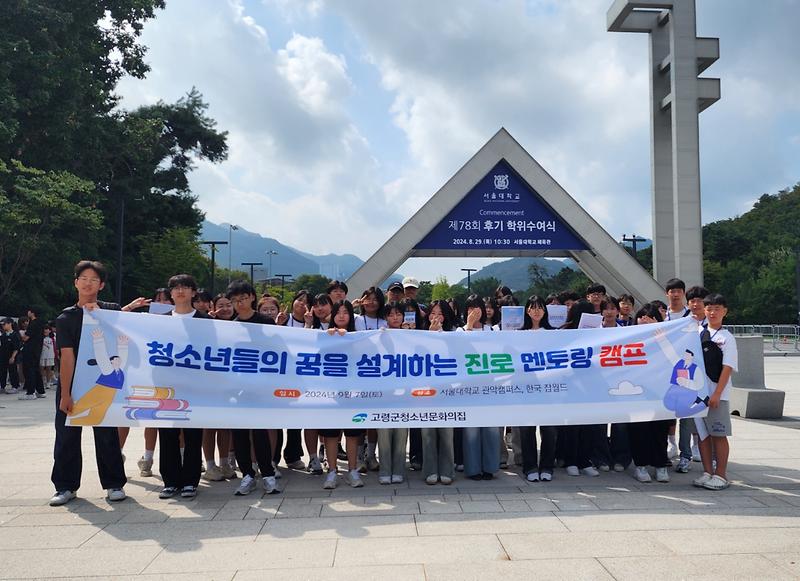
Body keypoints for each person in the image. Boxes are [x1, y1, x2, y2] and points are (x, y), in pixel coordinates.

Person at [50, 260, 142, 506]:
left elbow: (130, 329)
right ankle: (65, 486)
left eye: (94, 280)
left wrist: (130, 309)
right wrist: (65, 394)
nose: (88, 283)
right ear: (76, 282)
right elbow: (67, 357)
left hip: (103, 384)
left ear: (101, 285)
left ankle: (114, 484)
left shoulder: (109, 311)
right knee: (67, 435)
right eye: (84, 278)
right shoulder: (66, 318)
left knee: (106, 434)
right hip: (73, 385)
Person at [225, 280, 280, 495]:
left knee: (260, 433)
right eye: (235, 300)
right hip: (238, 389)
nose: (239, 303)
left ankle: (267, 474)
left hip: (262, 389)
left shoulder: (266, 323)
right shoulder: (230, 327)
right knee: (239, 434)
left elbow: (277, 353)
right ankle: (247, 475)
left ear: (252, 298)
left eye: (243, 298)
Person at [157, 274, 207, 499]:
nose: (180, 291)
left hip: (196, 387)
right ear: (170, 293)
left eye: (185, 287)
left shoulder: (206, 321)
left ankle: (190, 481)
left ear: (193, 292)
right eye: (175, 287)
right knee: (167, 434)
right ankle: (170, 480)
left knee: (194, 435)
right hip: (167, 387)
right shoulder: (160, 320)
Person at [693, 294, 737, 491]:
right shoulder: (698, 333)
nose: (712, 312)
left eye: (717, 309)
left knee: (718, 434)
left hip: (717, 394)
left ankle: (721, 474)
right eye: (709, 309)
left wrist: (717, 393)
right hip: (698, 394)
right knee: (702, 435)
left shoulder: (727, 337)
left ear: (725, 311)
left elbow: (727, 367)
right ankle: (707, 471)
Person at [320, 300, 365, 489]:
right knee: (331, 435)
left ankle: (352, 470)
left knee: (352, 434)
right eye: (337, 312)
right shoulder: (324, 336)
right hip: (331, 394)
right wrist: (328, 338)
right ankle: (332, 471)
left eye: (345, 312)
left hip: (353, 394)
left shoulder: (359, 337)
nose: (341, 316)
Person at [628, 303, 672, 483]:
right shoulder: (628, 339)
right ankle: (640, 465)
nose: (644, 321)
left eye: (650, 318)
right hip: (635, 393)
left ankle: (661, 465)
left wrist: (660, 337)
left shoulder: (667, 339)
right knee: (639, 430)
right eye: (641, 318)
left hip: (661, 393)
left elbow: (673, 358)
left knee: (660, 430)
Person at [458, 294, 500, 480]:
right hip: (469, 388)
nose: (474, 312)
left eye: (477, 308)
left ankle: (490, 467)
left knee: (491, 429)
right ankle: (473, 468)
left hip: (490, 386)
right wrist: (468, 326)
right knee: (471, 430)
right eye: (469, 308)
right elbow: (459, 350)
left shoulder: (492, 330)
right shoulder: (459, 331)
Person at [558, 300, 601, 477]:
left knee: (588, 424)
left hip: (590, 384)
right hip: (570, 385)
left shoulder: (599, 333)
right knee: (572, 426)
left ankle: (585, 460)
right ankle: (571, 460)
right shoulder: (564, 332)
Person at [518, 295, 557, 482]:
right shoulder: (518, 334)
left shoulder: (554, 333)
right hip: (526, 390)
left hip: (549, 389)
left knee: (549, 430)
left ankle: (547, 466)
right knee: (527, 430)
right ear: (527, 311)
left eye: (540, 307)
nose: (536, 311)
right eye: (532, 307)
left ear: (545, 311)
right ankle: (530, 467)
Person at [202, 293, 237, 481]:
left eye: (228, 304)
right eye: (220, 304)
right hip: (209, 383)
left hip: (230, 383)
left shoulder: (240, 326)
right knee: (209, 427)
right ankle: (210, 465)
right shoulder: (205, 325)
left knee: (225, 426)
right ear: (212, 306)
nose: (225, 308)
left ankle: (224, 463)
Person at [421, 300, 457, 485]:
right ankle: (430, 470)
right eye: (432, 313)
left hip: (447, 390)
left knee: (446, 433)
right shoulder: (420, 336)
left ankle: (447, 469)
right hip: (426, 391)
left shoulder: (454, 335)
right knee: (428, 433)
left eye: (440, 313)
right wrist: (430, 336)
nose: (436, 316)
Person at [19, 307, 46, 399]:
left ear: (32, 313)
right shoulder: (40, 323)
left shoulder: (33, 323)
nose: (28, 313)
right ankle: (41, 391)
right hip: (37, 349)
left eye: (29, 311)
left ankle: (30, 392)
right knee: (36, 369)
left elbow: (26, 338)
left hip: (30, 349)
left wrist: (21, 335)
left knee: (29, 370)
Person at [0, 318, 22, 394]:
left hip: (11, 356)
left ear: (10, 324)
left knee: (13, 371)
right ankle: (2, 386)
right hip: (3, 356)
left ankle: (15, 386)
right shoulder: (3, 335)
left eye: (4, 324)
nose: (3, 326)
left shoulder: (15, 335)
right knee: (2, 371)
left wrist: (13, 357)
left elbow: (16, 347)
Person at [40, 323, 56, 389]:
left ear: (50, 330)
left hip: (50, 355)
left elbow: (55, 347)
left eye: (47, 329)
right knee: (41, 369)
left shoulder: (53, 338)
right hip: (42, 355)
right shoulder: (40, 337)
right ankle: (41, 382)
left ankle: (48, 382)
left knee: (49, 369)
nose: (45, 330)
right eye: (44, 329)